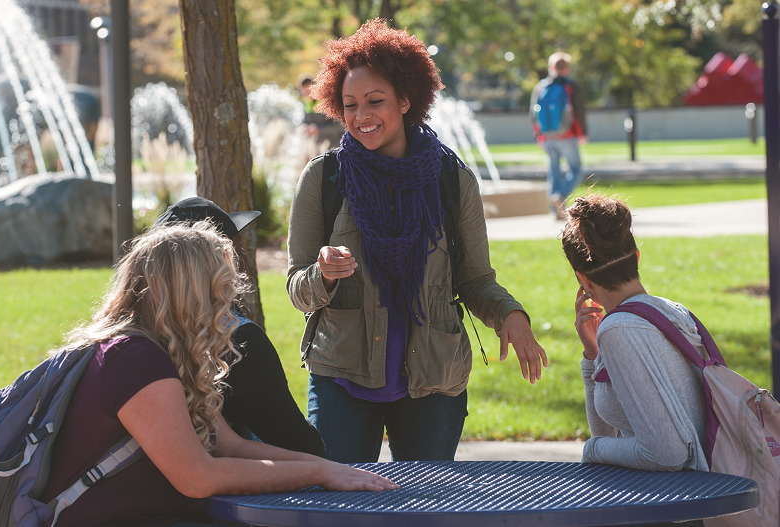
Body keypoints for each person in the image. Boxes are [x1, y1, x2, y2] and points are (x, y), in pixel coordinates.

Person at [286, 18, 548, 464]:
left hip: (434, 381)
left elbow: (476, 280)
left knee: (426, 510)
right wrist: (322, 274)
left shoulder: (452, 179)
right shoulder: (325, 177)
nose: (361, 116)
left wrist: (510, 315)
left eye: (375, 101)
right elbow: (297, 287)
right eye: (350, 105)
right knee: (343, 510)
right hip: (343, 377)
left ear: (405, 100)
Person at [39, 222, 397, 527]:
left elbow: (231, 446)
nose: (229, 303)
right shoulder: (135, 360)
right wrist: (318, 474)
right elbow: (198, 477)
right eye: (221, 289)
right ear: (190, 295)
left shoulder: (158, 353)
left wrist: (328, 468)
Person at [155, 197, 326, 456]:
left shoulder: (135, 333)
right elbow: (303, 449)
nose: (244, 261)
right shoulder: (238, 342)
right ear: (212, 266)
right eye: (235, 251)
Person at [564, 194, 708, 476]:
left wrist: (592, 449)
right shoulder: (674, 312)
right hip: (708, 492)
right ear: (636, 257)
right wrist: (593, 357)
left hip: (673, 507)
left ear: (583, 279)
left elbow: (667, 455)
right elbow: (614, 433)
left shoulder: (620, 329)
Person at [530, 51, 588, 220]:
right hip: (567, 135)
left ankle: (555, 211)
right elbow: (579, 111)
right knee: (576, 169)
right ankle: (561, 196)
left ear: (551, 67)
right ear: (567, 68)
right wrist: (583, 133)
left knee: (553, 172)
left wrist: (538, 135)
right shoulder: (570, 86)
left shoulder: (540, 87)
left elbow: (532, 114)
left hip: (547, 136)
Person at [297, 73, 345, 149]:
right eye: (304, 92)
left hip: (335, 146)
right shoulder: (306, 103)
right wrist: (305, 127)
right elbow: (305, 121)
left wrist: (319, 130)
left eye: (308, 91)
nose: (307, 94)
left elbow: (340, 126)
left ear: (314, 87)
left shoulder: (327, 101)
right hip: (317, 148)